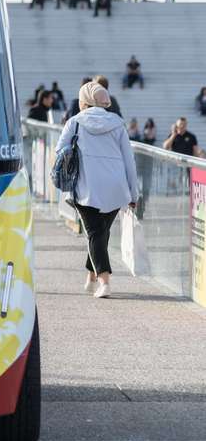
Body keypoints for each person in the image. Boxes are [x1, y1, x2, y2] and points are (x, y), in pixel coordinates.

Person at [56, 81, 138, 298]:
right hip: (116, 188)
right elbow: (129, 161)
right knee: (101, 233)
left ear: (85, 100)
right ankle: (91, 277)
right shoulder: (118, 124)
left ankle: (104, 281)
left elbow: (60, 150)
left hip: (86, 187)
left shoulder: (75, 122)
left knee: (95, 233)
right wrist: (134, 193)